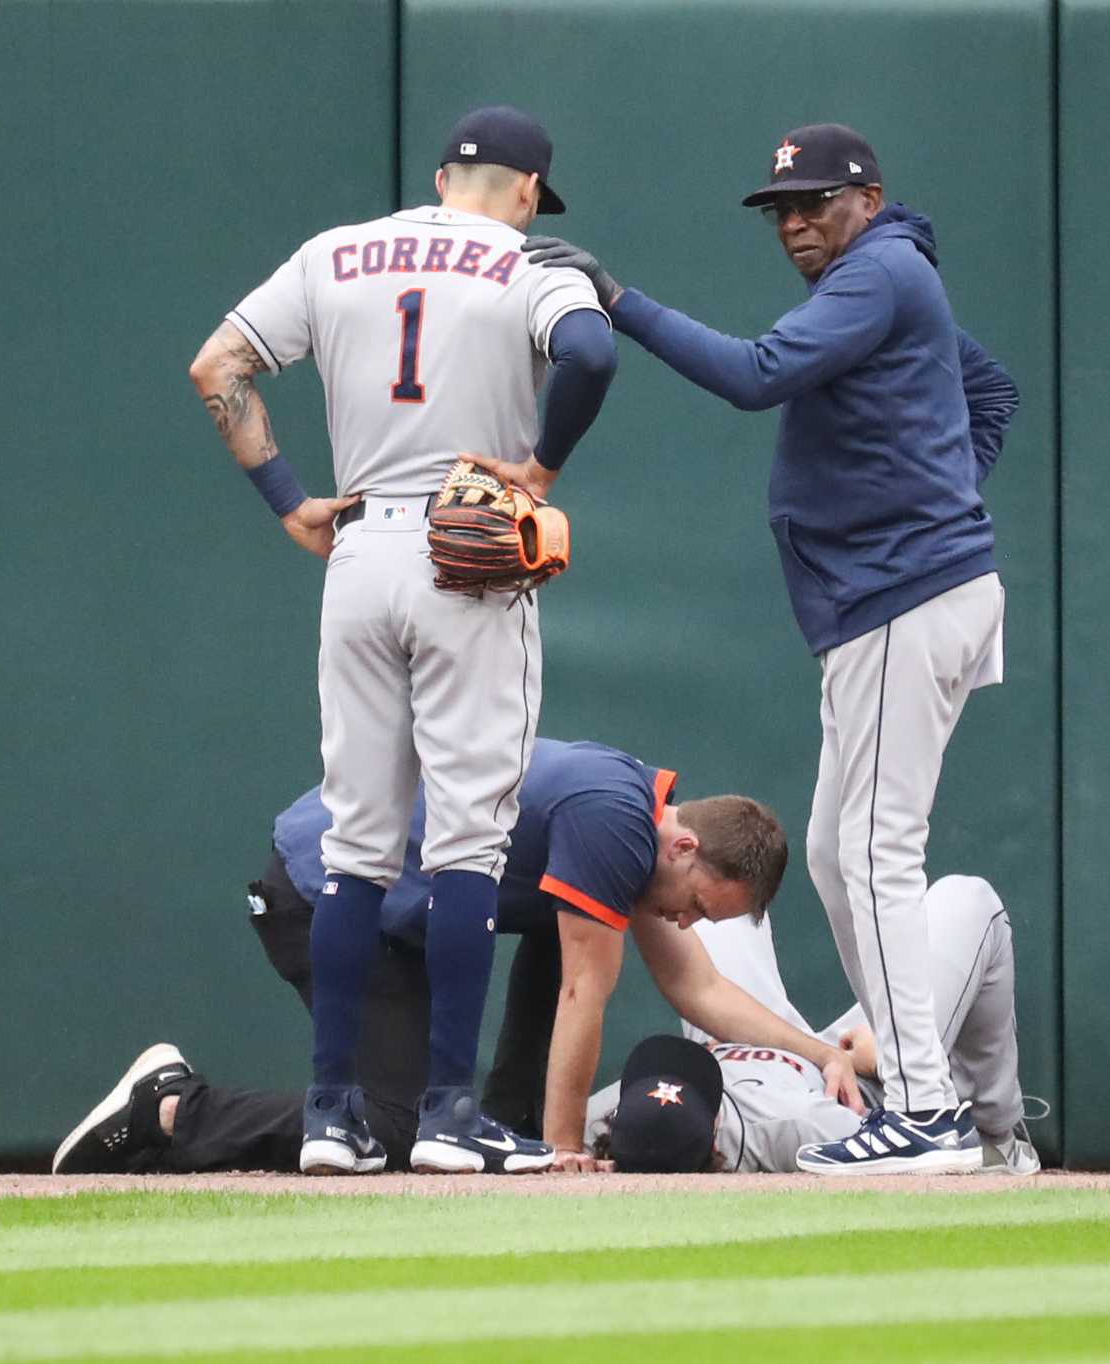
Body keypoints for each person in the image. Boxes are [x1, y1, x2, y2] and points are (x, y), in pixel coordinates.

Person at [524, 123, 1018, 1172]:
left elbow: (754, 376)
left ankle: (928, 1112)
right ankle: (920, 1099)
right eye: (779, 207)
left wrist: (617, 300)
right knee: (842, 853)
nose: (794, 220)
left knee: (876, 851)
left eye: (815, 201)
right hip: (891, 598)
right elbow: (990, 391)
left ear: (868, 198)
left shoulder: (877, 271)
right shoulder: (883, 280)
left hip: (902, 595)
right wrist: (940, 492)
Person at [187, 105, 617, 1177]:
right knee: (465, 838)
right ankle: (446, 1112)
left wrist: (289, 497)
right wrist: (544, 464)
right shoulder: (525, 260)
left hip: (362, 551)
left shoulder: (335, 251)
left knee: (355, 845)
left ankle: (330, 1115)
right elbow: (594, 352)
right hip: (467, 553)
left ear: (439, 176)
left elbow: (216, 367)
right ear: (526, 189)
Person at [50, 739, 862, 1175]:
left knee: (562, 931)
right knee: (400, 1125)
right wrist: (563, 1148)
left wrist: (820, 1050)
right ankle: (170, 1106)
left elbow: (699, 988)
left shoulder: (631, 820)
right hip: (320, 894)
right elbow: (585, 993)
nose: (685, 922)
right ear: (685, 846)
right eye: (695, 905)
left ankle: (501, 1132)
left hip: (385, 914)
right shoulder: (616, 822)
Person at [586, 876, 1038, 1175]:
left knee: (708, 890)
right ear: (714, 1128)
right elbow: (898, 1147)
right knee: (968, 900)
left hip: (759, 1033)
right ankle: (999, 1134)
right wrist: (887, 1063)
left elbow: (570, 1141)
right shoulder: (792, 1128)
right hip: (854, 1067)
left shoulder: (608, 1124)